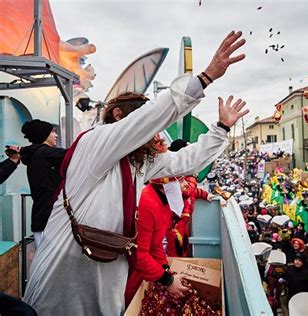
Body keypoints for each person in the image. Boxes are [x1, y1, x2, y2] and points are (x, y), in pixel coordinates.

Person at [24, 30, 248, 315]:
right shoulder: (96, 142)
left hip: (105, 275)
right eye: (143, 121)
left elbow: (186, 161)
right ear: (119, 116)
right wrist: (204, 78)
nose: (153, 132)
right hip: (64, 275)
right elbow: (147, 119)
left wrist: (222, 129)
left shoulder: (137, 162)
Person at [124, 177, 190, 307]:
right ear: (166, 184)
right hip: (130, 270)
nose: (186, 184)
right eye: (181, 181)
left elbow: (156, 243)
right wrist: (167, 281)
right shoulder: (148, 203)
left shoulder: (162, 201)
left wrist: (165, 269)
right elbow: (138, 255)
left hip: (142, 265)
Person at [20, 120, 67, 249]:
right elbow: (73, 154)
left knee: (42, 262)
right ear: (43, 135)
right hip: (49, 219)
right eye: (52, 131)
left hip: (40, 218)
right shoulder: (45, 153)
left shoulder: (35, 154)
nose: (56, 135)